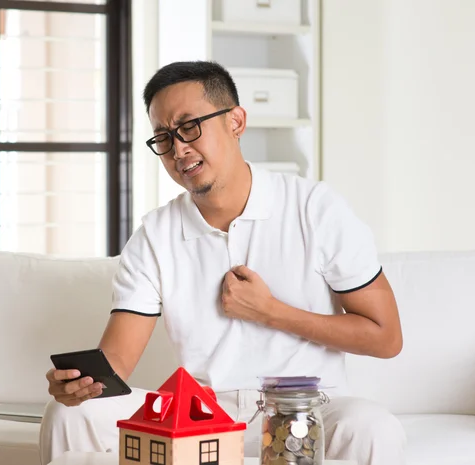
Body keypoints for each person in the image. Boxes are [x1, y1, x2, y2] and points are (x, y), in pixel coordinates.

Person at [39, 61, 406, 465]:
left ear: (236, 121)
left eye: (189, 126)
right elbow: (117, 363)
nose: (178, 148)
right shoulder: (155, 236)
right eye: (163, 137)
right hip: (201, 414)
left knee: (372, 426)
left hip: (304, 409)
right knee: (71, 415)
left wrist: (270, 312)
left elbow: (386, 337)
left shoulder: (315, 209)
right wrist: (80, 388)